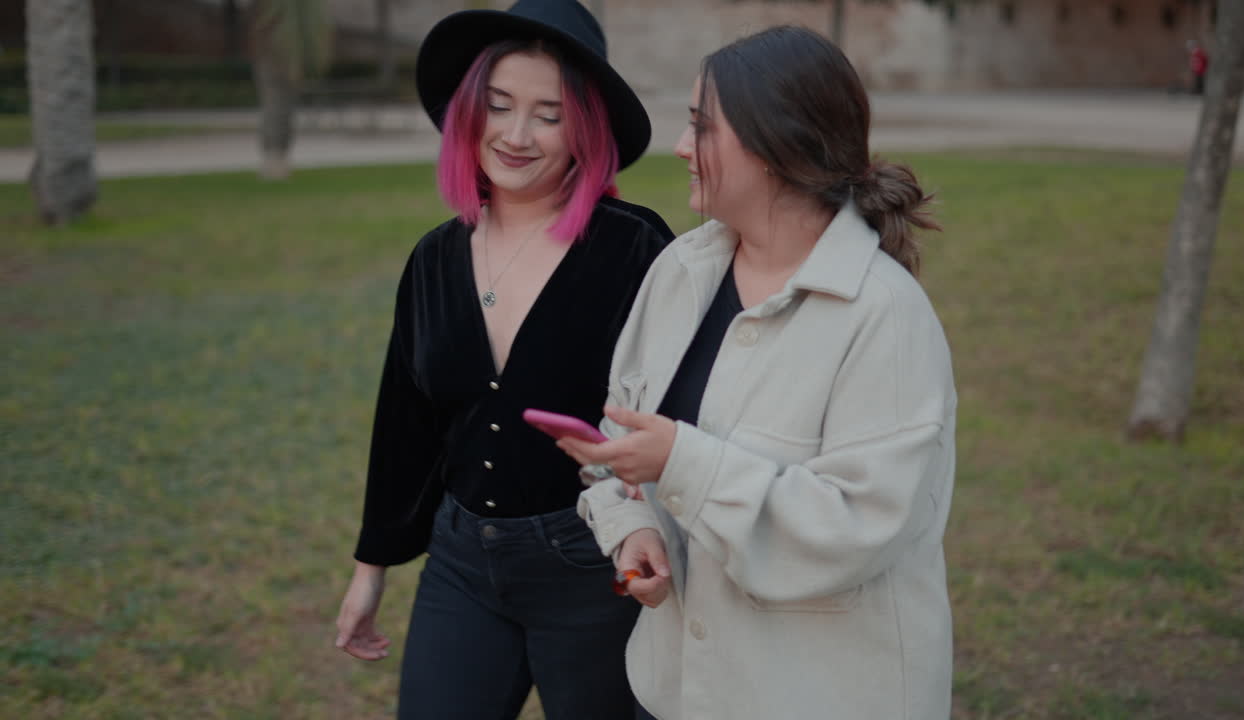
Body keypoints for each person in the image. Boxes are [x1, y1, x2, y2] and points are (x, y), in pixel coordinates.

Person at [557, 25, 956, 720]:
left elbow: (856, 527)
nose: (681, 147)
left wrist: (680, 464)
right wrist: (634, 532)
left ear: (779, 147)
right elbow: (620, 438)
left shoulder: (885, 316)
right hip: (678, 692)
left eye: (702, 129)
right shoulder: (680, 272)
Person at [332, 1, 672, 718]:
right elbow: (406, 423)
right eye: (499, 106)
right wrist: (371, 572)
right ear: (469, 114)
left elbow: (677, 413)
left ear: (585, 129)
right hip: (461, 564)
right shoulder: (433, 257)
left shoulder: (635, 249)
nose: (517, 135)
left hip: (595, 562)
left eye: (548, 114)